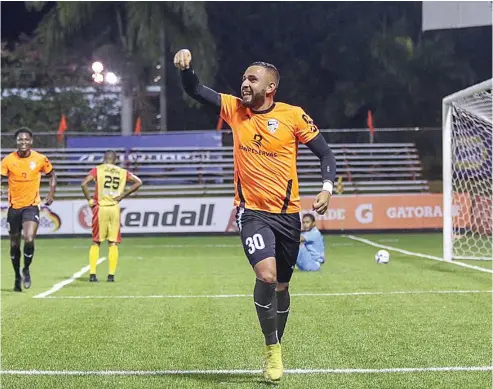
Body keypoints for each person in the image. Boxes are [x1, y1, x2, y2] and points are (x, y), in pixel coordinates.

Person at [174, 49, 337, 382]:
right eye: (243, 78)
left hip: (288, 215)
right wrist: (186, 71)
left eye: (252, 79)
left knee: (281, 287)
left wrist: (327, 188)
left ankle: (277, 343)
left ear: (271, 86)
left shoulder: (293, 116)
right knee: (266, 276)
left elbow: (325, 152)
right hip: (252, 213)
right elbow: (196, 91)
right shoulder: (234, 109)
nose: (244, 83)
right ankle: (272, 350)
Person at [1, 128, 57, 292]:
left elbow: (52, 174)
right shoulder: (8, 160)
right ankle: (17, 276)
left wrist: (51, 193)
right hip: (14, 208)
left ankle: (26, 269)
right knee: (13, 244)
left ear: (31, 141)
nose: (23, 142)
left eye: (26, 139)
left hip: (31, 206)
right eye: (20, 140)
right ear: (16, 142)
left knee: (29, 237)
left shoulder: (40, 159)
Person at [80, 150, 142, 283]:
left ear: (104, 159)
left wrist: (90, 200)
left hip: (101, 208)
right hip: (114, 208)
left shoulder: (98, 169)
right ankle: (111, 275)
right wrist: (122, 196)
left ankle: (92, 275)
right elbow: (138, 182)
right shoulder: (122, 172)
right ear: (115, 160)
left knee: (96, 241)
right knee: (112, 242)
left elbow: (84, 183)